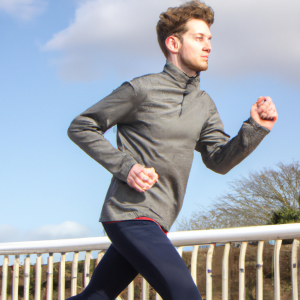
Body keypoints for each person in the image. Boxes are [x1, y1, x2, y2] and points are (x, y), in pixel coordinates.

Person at [67, 1, 278, 300]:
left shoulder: (204, 104)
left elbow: (218, 160)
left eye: (209, 39)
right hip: (130, 213)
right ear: (173, 43)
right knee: (185, 295)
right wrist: (127, 168)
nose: (208, 46)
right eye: (199, 38)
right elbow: (81, 125)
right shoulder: (142, 89)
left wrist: (255, 128)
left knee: (95, 297)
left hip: (160, 219)